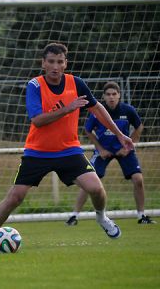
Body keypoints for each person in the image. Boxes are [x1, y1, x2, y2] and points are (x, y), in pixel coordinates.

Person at [0, 43, 135, 250]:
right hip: (37, 152)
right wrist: (68, 108)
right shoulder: (34, 85)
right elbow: (38, 120)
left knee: (96, 189)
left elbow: (97, 109)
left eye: (60, 62)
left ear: (65, 64)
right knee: (15, 197)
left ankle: (102, 217)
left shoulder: (76, 83)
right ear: (43, 63)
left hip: (69, 150)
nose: (55, 66)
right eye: (51, 61)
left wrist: (120, 134)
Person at [65, 81, 156, 226]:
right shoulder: (97, 111)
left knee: (138, 179)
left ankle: (141, 215)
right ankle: (73, 216)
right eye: (108, 94)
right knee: (88, 182)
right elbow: (88, 130)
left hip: (123, 151)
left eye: (114, 94)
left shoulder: (128, 110)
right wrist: (100, 149)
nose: (111, 97)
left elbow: (139, 127)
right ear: (103, 97)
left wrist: (128, 146)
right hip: (104, 151)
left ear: (119, 95)